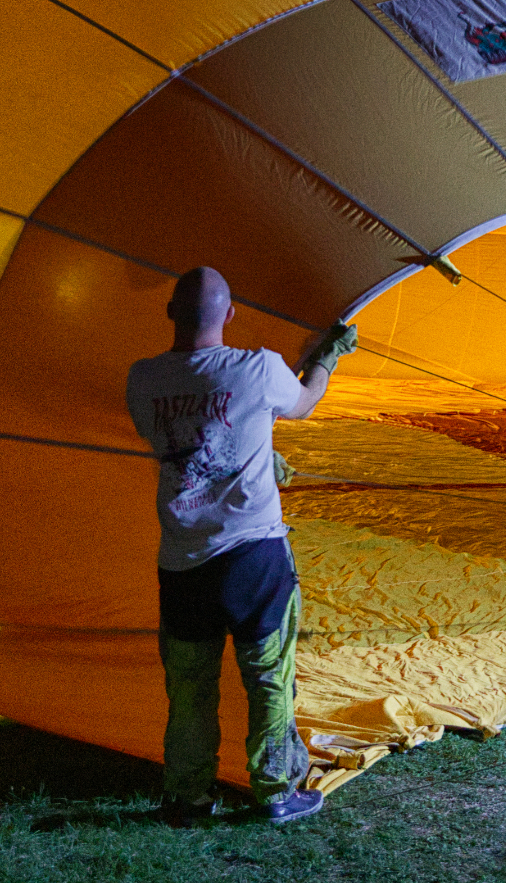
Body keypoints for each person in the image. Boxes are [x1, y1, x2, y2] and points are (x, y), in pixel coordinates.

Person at [126, 267, 358, 826]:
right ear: (230, 315)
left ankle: (187, 799)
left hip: (182, 565)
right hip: (254, 559)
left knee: (189, 691)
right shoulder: (257, 368)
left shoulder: (142, 380)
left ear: (170, 314)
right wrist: (327, 357)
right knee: (270, 680)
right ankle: (276, 791)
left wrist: (251, 449)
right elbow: (303, 402)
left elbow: (184, 442)